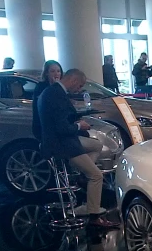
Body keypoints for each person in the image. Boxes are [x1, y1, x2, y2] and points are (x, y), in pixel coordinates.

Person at [38, 69, 118, 229]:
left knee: (96, 144)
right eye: (80, 85)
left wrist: (76, 121)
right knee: (96, 176)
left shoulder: (52, 92)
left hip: (61, 139)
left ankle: (82, 176)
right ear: (73, 80)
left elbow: (60, 119)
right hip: (61, 144)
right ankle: (94, 215)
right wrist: (78, 125)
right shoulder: (56, 95)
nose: (79, 89)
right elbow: (62, 128)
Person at [33, 60, 63, 142]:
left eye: (58, 71)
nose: (56, 74)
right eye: (52, 71)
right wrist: (55, 87)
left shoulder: (62, 86)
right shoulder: (41, 87)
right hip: (44, 126)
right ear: (47, 73)